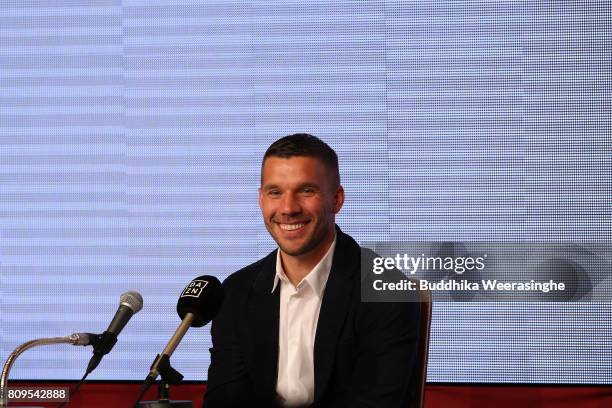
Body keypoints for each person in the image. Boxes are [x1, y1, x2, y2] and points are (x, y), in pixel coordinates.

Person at [204, 134, 420, 407]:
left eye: (306, 191)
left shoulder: (385, 290)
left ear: (337, 199)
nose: (288, 208)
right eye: (275, 192)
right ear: (261, 199)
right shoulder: (235, 292)